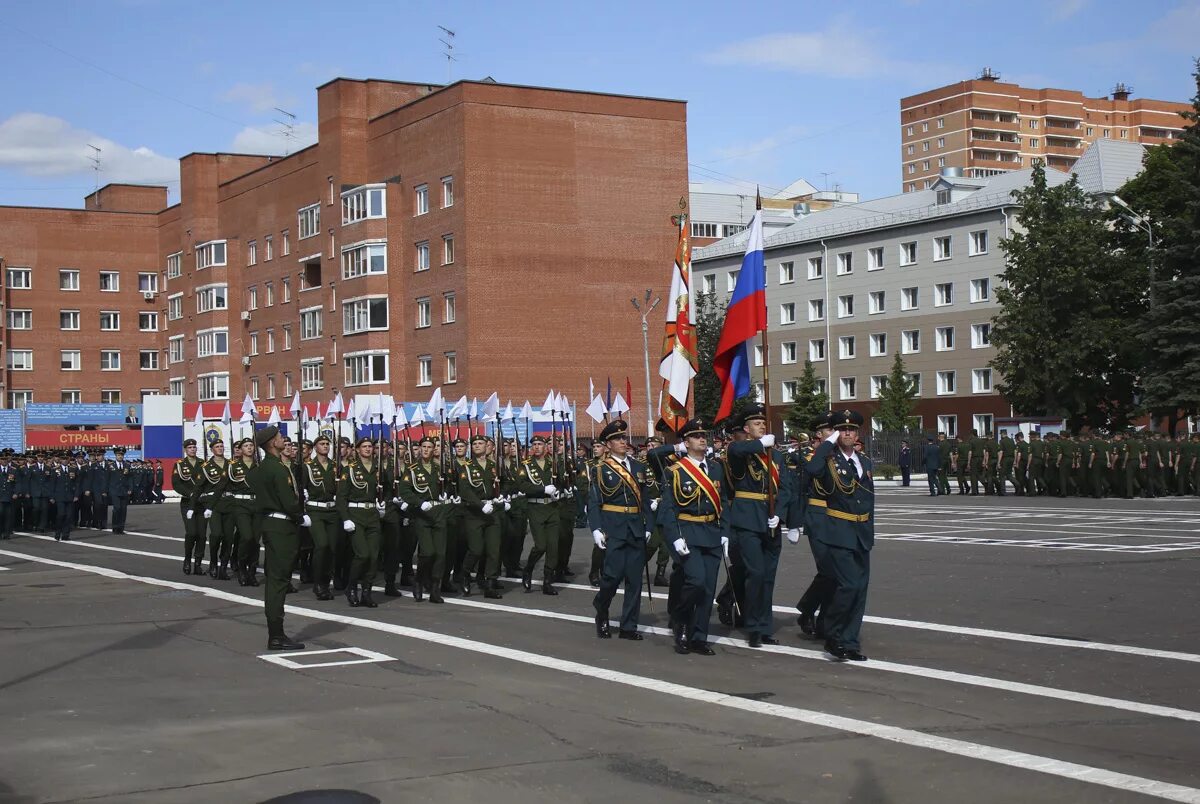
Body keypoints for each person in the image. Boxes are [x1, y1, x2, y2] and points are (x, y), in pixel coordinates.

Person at [805, 409, 874, 662]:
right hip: (839, 532)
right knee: (849, 585)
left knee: (860, 590)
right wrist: (827, 443)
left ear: (857, 433)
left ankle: (849, 641)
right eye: (842, 429)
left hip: (861, 533)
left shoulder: (864, 462)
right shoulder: (828, 460)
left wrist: (870, 533)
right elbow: (811, 469)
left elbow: (868, 501)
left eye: (851, 429)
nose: (847, 433)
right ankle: (832, 634)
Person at [724, 404, 794, 648]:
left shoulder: (776, 456)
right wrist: (761, 444)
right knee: (756, 573)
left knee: (768, 577)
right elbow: (737, 450)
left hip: (770, 519)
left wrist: (781, 514)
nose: (762, 426)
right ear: (746, 429)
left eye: (763, 423)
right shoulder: (739, 449)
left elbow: (785, 488)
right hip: (747, 519)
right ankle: (752, 625)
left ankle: (764, 626)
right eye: (756, 424)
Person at [660, 418, 728, 655]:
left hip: (712, 532)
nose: (702, 439)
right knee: (696, 581)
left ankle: (699, 636)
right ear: (686, 442)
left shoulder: (717, 467)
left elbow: (724, 502)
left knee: (708, 589)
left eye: (704, 436)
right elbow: (667, 508)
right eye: (697, 436)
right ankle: (680, 618)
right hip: (688, 532)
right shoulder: (674, 472)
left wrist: (725, 532)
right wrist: (675, 537)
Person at [246, 425, 309, 651]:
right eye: (280, 437)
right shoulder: (278, 469)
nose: (283, 439)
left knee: (276, 580)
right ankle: (276, 635)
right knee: (278, 581)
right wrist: (300, 516)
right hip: (282, 526)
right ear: (273, 443)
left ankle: (277, 633)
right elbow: (287, 499)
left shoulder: (262, 468)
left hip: (271, 524)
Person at [588, 419, 652, 641]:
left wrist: (649, 526)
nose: (623, 442)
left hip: (635, 527)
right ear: (608, 444)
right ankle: (602, 608)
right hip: (613, 528)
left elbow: (646, 499)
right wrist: (596, 529)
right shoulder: (599, 469)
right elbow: (594, 502)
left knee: (634, 580)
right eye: (617, 439)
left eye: (624, 438)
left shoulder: (638, 466)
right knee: (612, 577)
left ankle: (628, 626)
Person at [399, 436, 450, 603]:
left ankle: (435, 588)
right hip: (422, 515)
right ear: (420, 449)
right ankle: (419, 581)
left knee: (440, 554)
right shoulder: (412, 469)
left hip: (439, 513)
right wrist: (419, 503)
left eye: (430, 447)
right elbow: (405, 491)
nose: (427, 449)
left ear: (434, 449)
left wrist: (448, 494)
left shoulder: (439, 469)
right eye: (424, 446)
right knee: (428, 553)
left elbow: (451, 486)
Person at [337, 437, 385, 608]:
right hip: (355, 515)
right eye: (364, 446)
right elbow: (341, 497)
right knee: (362, 554)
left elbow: (386, 490)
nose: (367, 449)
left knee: (373, 557)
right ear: (357, 450)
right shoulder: (349, 470)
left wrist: (383, 503)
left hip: (372, 514)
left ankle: (366, 592)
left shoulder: (378, 469)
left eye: (370, 446)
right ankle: (351, 587)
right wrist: (345, 518)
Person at [458, 434, 504, 598]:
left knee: (493, 550)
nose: (477, 446)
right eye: (474, 443)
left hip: (492, 512)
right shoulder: (467, 467)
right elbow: (464, 490)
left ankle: (490, 584)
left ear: (487, 446)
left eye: (480, 443)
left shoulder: (494, 466)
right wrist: (481, 504)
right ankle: (465, 573)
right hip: (474, 513)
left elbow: (503, 484)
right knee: (476, 549)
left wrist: (502, 498)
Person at [517, 435, 561, 595]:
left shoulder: (553, 463)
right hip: (535, 508)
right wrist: (543, 489)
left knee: (553, 547)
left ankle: (547, 582)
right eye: (534, 444)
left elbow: (563, 481)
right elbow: (522, 485)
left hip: (553, 507)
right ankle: (528, 569)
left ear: (546, 447)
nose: (536, 447)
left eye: (539, 444)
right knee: (541, 545)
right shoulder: (526, 465)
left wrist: (560, 491)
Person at [302, 434, 340, 601]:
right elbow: (301, 490)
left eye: (327, 444)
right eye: (322, 444)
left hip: (332, 511)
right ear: (315, 447)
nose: (325, 446)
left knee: (331, 549)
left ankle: (325, 582)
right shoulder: (308, 467)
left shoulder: (335, 466)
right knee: (321, 545)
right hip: (315, 511)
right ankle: (318, 582)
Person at [173, 439, 205, 574]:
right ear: (185, 450)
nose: (192, 449)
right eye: (190, 447)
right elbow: (176, 483)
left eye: (194, 447)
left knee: (202, 535)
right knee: (192, 533)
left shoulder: (202, 463)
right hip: (187, 503)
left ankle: (198, 563)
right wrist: (190, 493)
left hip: (202, 503)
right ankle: (187, 559)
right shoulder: (180, 464)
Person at [107, 447, 131, 534]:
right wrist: (106, 490)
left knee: (123, 510)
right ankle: (115, 527)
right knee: (117, 508)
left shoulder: (127, 465)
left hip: (124, 491)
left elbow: (130, 478)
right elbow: (107, 479)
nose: (120, 456)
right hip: (114, 491)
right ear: (115, 456)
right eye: (118, 455)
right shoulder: (110, 466)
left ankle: (121, 528)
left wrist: (130, 489)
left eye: (121, 455)